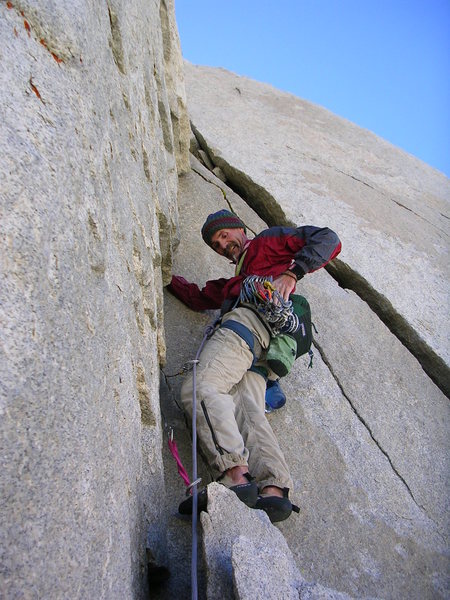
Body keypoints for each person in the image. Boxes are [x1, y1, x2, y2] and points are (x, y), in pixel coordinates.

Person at [168, 210, 341, 522]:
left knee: (200, 387)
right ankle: (275, 490)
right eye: (215, 244)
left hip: (250, 324)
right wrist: (166, 276)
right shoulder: (235, 281)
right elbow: (197, 297)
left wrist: (293, 272)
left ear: (238, 228)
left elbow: (327, 238)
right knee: (250, 412)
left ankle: (234, 475)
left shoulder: (266, 242)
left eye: (223, 235)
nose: (221, 244)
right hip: (266, 352)